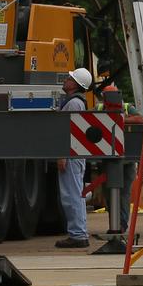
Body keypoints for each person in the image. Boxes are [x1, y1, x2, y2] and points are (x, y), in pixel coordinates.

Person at [55, 67, 93, 248]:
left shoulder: (73, 104)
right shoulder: (76, 102)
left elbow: (67, 132)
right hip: (75, 154)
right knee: (74, 193)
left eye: (69, 79)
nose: (65, 80)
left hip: (71, 154)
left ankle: (78, 234)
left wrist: (62, 155)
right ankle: (79, 232)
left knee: (72, 195)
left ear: (75, 85)